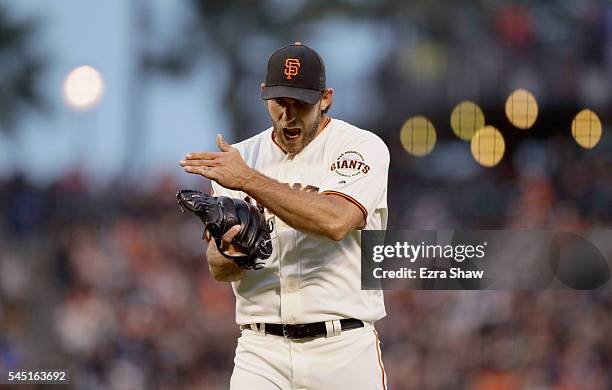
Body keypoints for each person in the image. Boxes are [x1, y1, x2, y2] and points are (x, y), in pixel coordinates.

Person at [180, 42, 390, 389]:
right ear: (264, 95)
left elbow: (337, 221)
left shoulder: (360, 146)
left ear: (326, 99)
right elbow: (219, 268)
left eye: (301, 103)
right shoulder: (241, 156)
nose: (289, 115)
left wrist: (248, 180)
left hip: (343, 348)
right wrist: (234, 248)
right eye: (280, 102)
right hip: (262, 352)